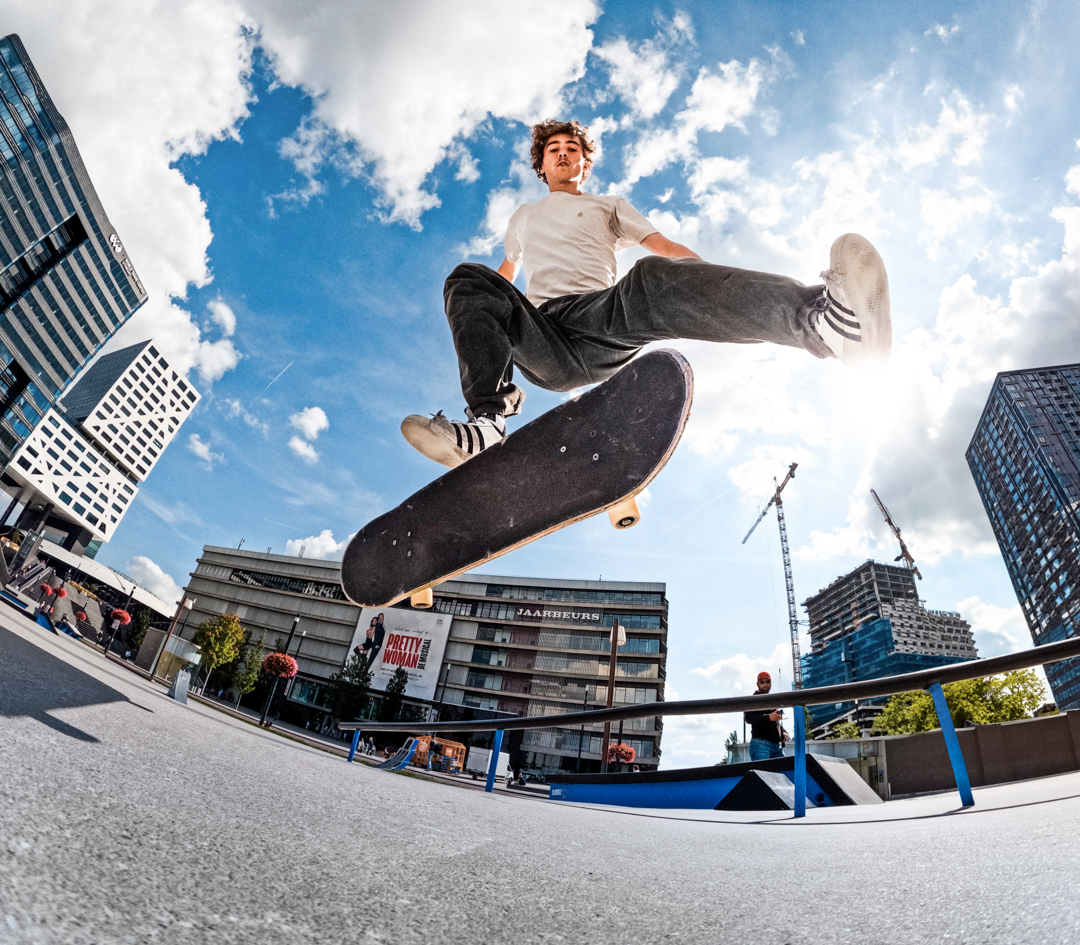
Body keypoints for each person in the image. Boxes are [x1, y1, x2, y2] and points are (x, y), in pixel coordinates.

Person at [401, 119, 891, 467]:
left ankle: (824, 325)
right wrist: (485, 335)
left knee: (652, 274)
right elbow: (505, 279)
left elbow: (665, 246)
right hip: (541, 334)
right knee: (469, 277)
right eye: (555, 150)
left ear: (584, 163)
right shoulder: (523, 217)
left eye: (573, 148)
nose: (564, 153)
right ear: (542, 165)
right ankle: (486, 425)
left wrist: (707, 285)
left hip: (601, 320)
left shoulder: (608, 204)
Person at [743, 671, 788, 761]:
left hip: (776, 745)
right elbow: (749, 718)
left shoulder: (771, 699)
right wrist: (768, 717)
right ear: (757, 684)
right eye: (762, 682)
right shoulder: (752, 700)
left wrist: (782, 732)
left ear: (771, 683)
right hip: (761, 744)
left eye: (767, 682)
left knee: (783, 773)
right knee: (761, 773)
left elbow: (774, 720)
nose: (765, 685)